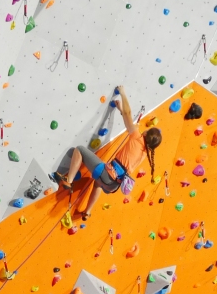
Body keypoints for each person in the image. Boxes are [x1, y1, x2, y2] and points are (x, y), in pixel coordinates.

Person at [57, 86, 162, 220]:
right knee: (98, 184)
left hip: (107, 175)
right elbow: (126, 116)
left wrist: (123, 93)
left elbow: (128, 114)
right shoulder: (145, 153)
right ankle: (87, 212)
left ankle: (68, 181)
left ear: (146, 134)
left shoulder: (137, 137)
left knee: (80, 150)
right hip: (113, 186)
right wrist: (120, 109)